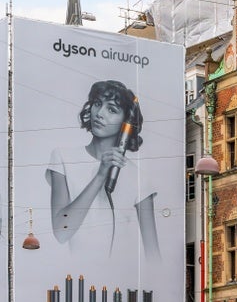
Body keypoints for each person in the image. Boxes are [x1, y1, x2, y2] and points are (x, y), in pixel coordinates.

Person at [45, 80, 161, 262]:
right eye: (97, 104)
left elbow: (153, 254)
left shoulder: (139, 178)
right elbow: (61, 232)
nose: (99, 114)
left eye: (112, 110)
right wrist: (100, 175)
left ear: (126, 123)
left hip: (121, 280)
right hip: (74, 277)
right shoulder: (62, 157)